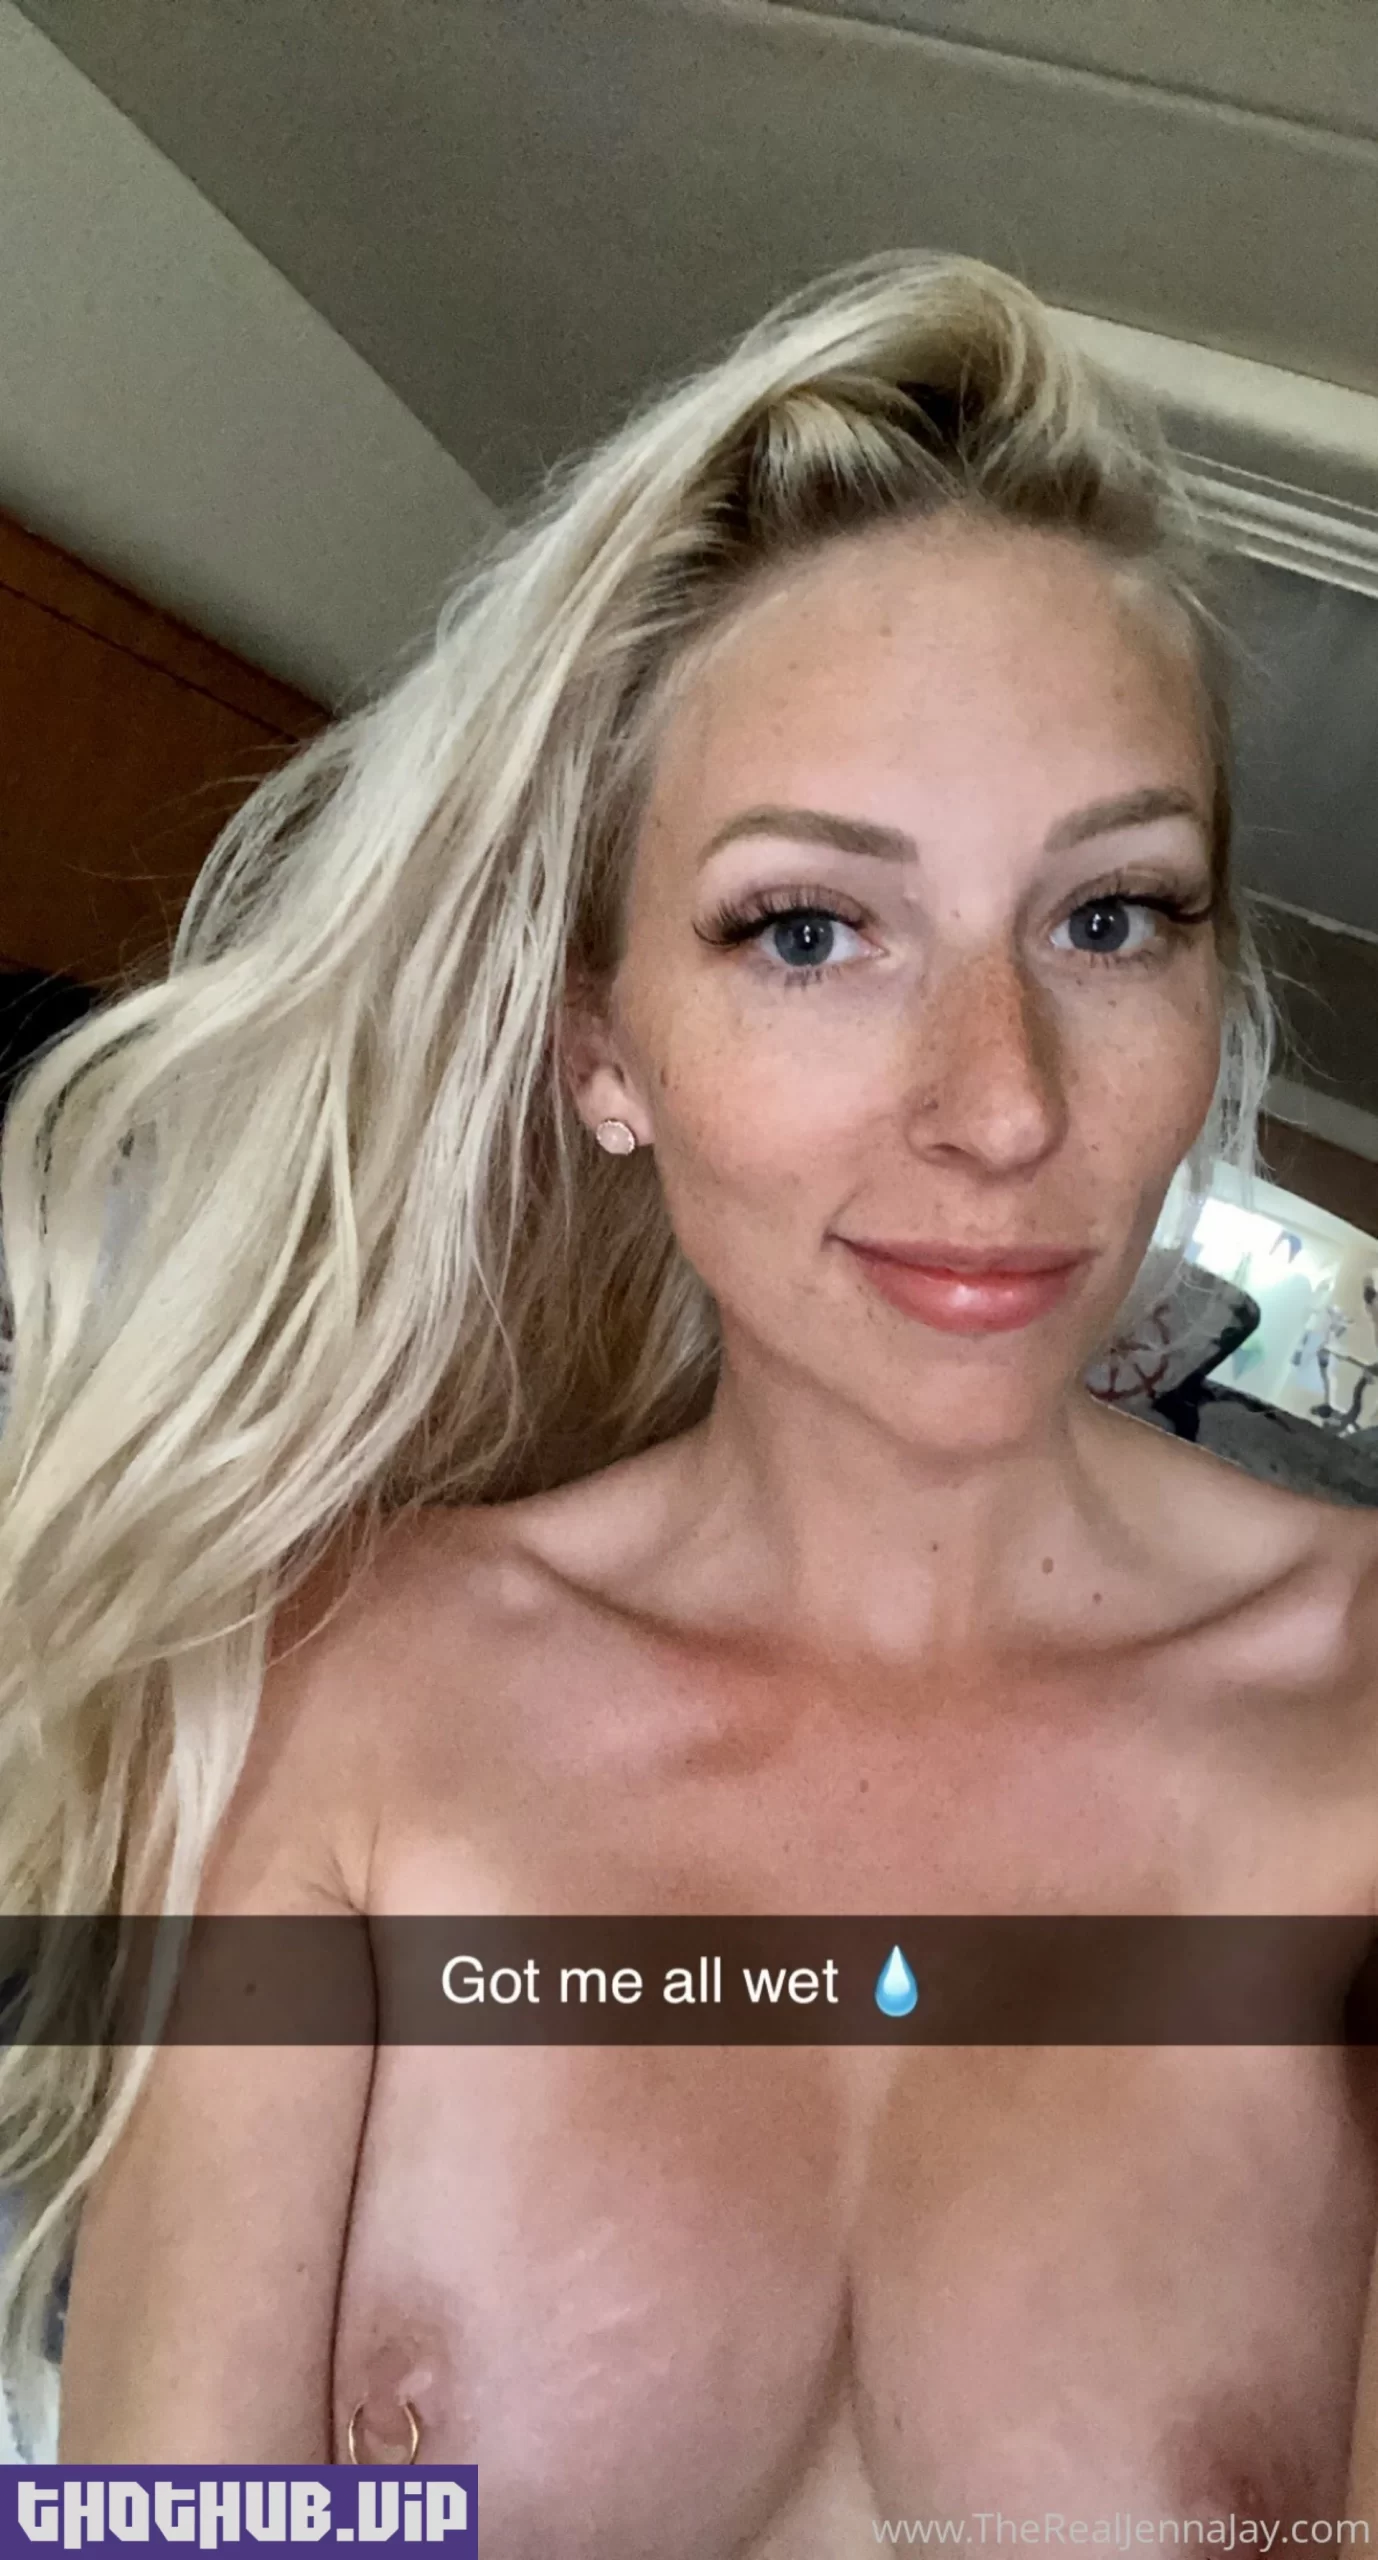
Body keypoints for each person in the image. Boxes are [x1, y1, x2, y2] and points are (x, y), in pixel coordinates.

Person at [3, 243, 1377, 2536]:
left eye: (1108, 915)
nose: (999, 1104)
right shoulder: (342, 1693)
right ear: (603, 1051)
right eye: (807, 929)